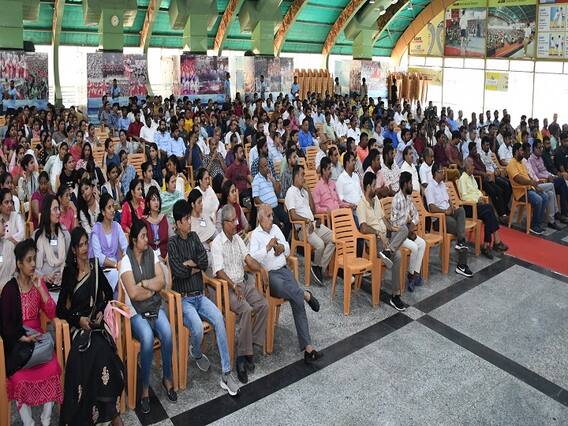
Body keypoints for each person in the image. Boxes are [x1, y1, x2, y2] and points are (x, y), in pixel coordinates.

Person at [168, 199, 240, 396]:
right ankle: (196, 351)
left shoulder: (193, 237)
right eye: (185, 219)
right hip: (184, 300)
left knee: (219, 319)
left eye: (189, 218)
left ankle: (226, 374)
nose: (189, 222)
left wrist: (190, 264)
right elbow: (178, 271)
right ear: (178, 223)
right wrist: (193, 267)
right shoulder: (173, 243)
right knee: (198, 328)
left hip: (200, 296)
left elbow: (204, 260)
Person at [56, 227, 124, 426]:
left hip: (96, 326)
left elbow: (108, 293)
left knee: (104, 351)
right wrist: (78, 320)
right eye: (81, 245)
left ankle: (112, 413)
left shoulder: (95, 267)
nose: (85, 248)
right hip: (79, 329)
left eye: (86, 243)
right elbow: (60, 310)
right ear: (74, 250)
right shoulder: (70, 273)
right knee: (94, 354)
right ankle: (108, 415)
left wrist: (101, 310)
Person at [0, 239, 62, 426]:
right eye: (29, 260)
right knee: (18, 378)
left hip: (38, 341)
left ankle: (46, 419)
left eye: (34, 259)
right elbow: (4, 325)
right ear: (19, 264)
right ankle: (28, 422)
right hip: (18, 343)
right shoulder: (9, 289)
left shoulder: (38, 283)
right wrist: (21, 337)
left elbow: (52, 313)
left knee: (53, 368)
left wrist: (41, 289)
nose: (34, 264)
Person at [250, 204, 322, 361]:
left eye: (272, 215)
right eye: (268, 216)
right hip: (270, 276)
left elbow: (288, 249)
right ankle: (305, 294)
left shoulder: (276, 228)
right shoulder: (255, 235)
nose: (272, 218)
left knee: (296, 300)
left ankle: (308, 348)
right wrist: (267, 247)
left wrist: (282, 248)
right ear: (260, 218)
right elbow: (252, 259)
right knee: (291, 291)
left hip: (284, 270)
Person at [119, 221, 177, 414]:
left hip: (154, 306)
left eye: (147, 235)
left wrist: (144, 284)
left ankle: (167, 378)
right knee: (147, 338)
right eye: (143, 236)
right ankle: (144, 388)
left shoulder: (151, 254)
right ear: (134, 240)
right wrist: (151, 290)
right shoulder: (125, 262)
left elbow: (161, 281)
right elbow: (133, 294)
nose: (147, 239)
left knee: (167, 332)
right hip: (135, 312)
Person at [211, 204, 269, 384]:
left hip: (242, 284)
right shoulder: (217, 243)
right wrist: (233, 285)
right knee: (245, 309)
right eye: (232, 220)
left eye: (236, 219)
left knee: (263, 305)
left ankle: (251, 346)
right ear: (224, 223)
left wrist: (262, 269)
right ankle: (241, 359)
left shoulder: (237, 239)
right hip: (227, 288)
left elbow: (248, 260)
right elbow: (219, 271)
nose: (236, 223)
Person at [358, 172, 408, 311]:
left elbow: (383, 219)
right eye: (374, 186)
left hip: (386, 239)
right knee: (398, 256)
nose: (376, 188)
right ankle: (395, 296)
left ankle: (388, 251)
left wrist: (392, 227)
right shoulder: (361, 204)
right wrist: (378, 233)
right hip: (375, 242)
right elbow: (363, 227)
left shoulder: (376, 200)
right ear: (368, 187)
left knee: (403, 228)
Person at [285, 165, 335, 285]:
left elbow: (313, 210)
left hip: (313, 224)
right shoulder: (291, 192)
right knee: (320, 245)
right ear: (296, 176)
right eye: (302, 175)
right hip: (302, 228)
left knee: (334, 238)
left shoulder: (304, 191)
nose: (304, 178)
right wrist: (307, 221)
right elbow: (293, 215)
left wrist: (308, 191)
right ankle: (317, 268)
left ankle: (319, 268)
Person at [426, 163, 473, 277]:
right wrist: (444, 212)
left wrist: (451, 206)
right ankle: (462, 265)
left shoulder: (442, 184)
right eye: (441, 171)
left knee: (461, 210)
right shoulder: (430, 187)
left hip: (449, 213)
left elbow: (448, 200)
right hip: (439, 219)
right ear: (436, 173)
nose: (444, 173)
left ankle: (460, 243)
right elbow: (431, 207)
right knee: (460, 230)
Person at [458, 158, 508, 259]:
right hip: (469, 208)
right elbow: (464, 197)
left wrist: (480, 197)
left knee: (488, 213)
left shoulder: (471, 177)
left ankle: (487, 244)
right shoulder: (462, 179)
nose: (474, 167)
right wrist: (477, 199)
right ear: (467, 167)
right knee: (489, 210)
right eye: (472, 165)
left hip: (477, 205)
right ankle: (494, 242)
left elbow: (477, 190)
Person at [390, 172, 428, 290]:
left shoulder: (408, 198)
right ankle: (410, 276)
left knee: (422, 243)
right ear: (405, 184)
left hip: (407, 232)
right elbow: (393, 223)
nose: (412, 186)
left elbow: (416, 215)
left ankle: (415, 273)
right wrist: (406, 223)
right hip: (398, 235)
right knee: (414, 247)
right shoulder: (397, 199)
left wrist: (412, 223)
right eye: (411, 183)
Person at [506, 143, 549, 235]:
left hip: (529, 189)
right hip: (521, 192)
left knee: (545, 196)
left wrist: (536, 186)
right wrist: (531, 183)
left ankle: (538, 222)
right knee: (538, 200)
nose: (523, 152)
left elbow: (528, 176)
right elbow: (518, 179)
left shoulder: (521, 162)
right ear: (516, 152)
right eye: (521, 150)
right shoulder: (511, 164)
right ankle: (533, 226)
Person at [90, 193, 128, 292]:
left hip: (117, 267)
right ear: (103, 212)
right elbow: (98, 257)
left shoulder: (117, 226)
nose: (112, 210)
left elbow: (126, 247)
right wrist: (115, 264)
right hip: (102, 270)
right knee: (118, 276)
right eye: (109, 207)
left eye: (113, 206)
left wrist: (124, 261)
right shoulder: (96, 229)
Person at [33, 194, 70, 292]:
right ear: (47, 212)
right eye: (55, 209)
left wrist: (64, 274)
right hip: (42, 284)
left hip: (62, 282)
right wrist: (44, 277)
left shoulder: (65, 234)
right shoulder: (36, 236)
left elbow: (69, 261)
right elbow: (31, 266)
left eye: (58, 208)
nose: (58, 212)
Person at [252, 157, 291, 239]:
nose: (267, 168)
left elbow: (278, 191)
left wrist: (273, 180)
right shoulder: (256, 179)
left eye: (267, 165)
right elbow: (256, 198)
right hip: (267, 210)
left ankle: (283, 240)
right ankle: (278, 241)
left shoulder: (269, 177)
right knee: (278, 225)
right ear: (260, 168)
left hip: (276, 206)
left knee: (288, 220)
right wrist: (266, 207)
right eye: (265, 166)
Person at [188, 188, 218, 271]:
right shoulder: (189, 222)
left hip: (214, 246)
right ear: (192, 205)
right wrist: (209, 244)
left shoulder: (204, 215)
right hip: (204, 253)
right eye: (199, 202)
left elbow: (214, 232)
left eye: (202, 201)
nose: (202, 204)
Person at [143, 186, 170, 262]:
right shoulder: (144, 221)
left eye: (158, 199)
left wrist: (168, 254)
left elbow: (172, 239)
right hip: (150, 257)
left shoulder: (164, 219)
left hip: (166, 256)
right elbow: (142, 244)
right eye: (153, 200)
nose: (156, 202)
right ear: (148, 204)